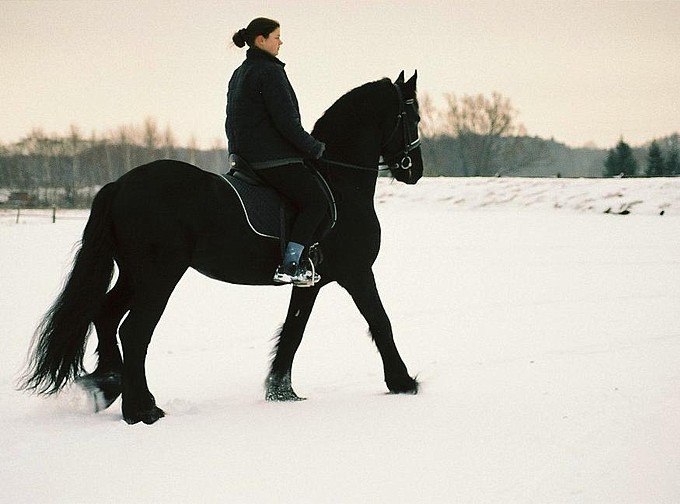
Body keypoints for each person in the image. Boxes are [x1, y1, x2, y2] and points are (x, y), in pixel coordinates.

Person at [226, 17, 328, 286]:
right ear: (261, 40)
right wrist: (314, 148)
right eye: (276, 37)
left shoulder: (240, 73)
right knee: (316, 202)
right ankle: (291, 264)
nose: (280, 42)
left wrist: (235, 155)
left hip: (245, 160)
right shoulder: (270, 71)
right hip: (273, 159)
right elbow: (286, 122)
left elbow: (230, 120)